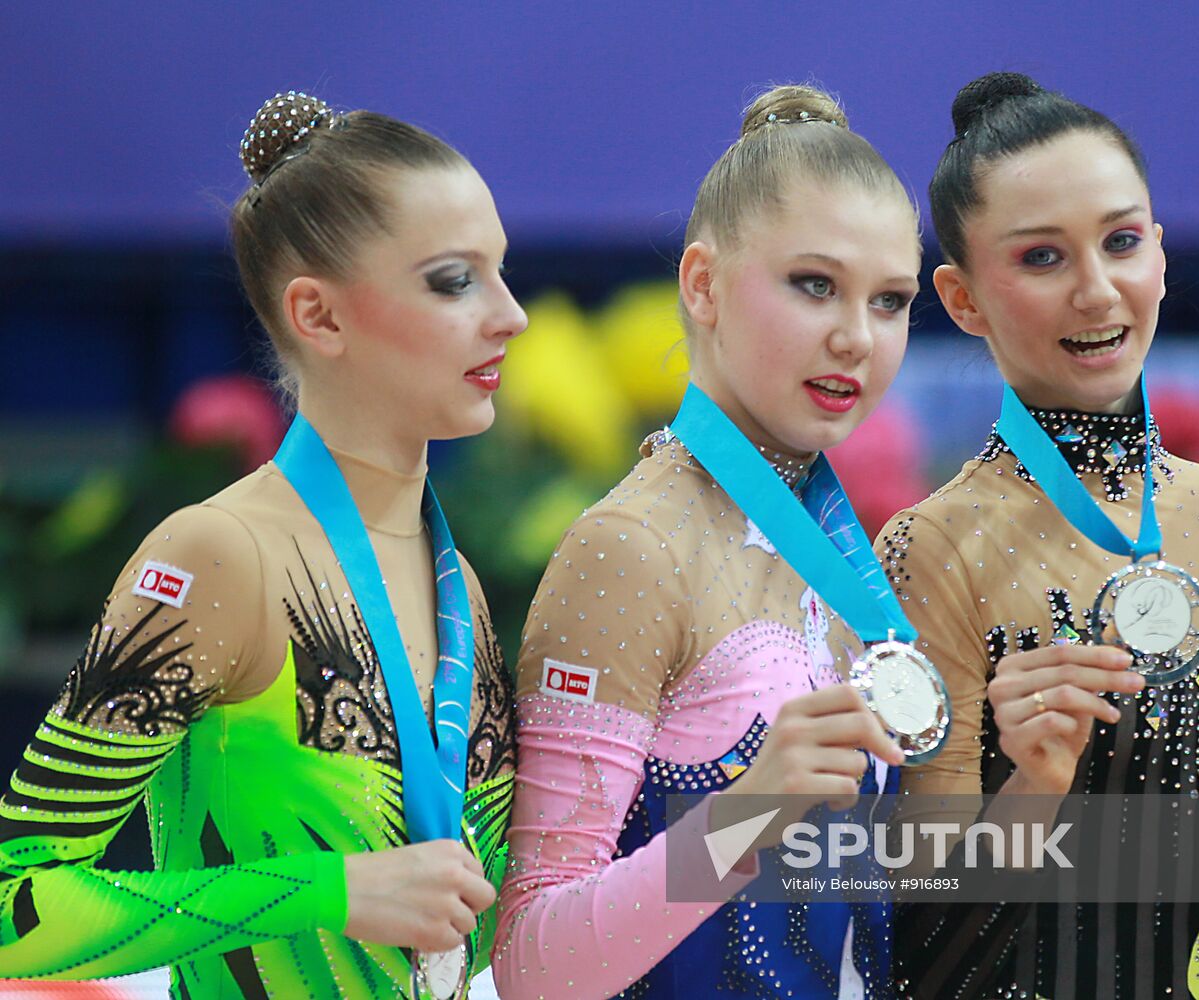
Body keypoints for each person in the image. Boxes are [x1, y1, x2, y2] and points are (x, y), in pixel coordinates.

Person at [0, 91, 526, 998]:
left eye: (501, 271)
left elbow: (530, 926)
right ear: (319, 317)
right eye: (454, 280)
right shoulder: (221, 556)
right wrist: (323, 890)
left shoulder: (460, 589)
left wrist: (767, 813)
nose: (511, 315)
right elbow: (16, 909)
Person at [878, 72, 1199, 997]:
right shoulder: (933, 547)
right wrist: (1031, 788)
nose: (1096, 290)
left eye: (1120, 243)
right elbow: (902, 915)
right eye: (1041, 259)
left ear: (1158, 250)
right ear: (961, 300)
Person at [493, 84, 926, 1000]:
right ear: (703, 284)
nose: (857, 337)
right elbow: (532, 964)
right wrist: (746, 814)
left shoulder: (846, 556)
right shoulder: (631, 549)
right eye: (816, 285)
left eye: (891, 301)